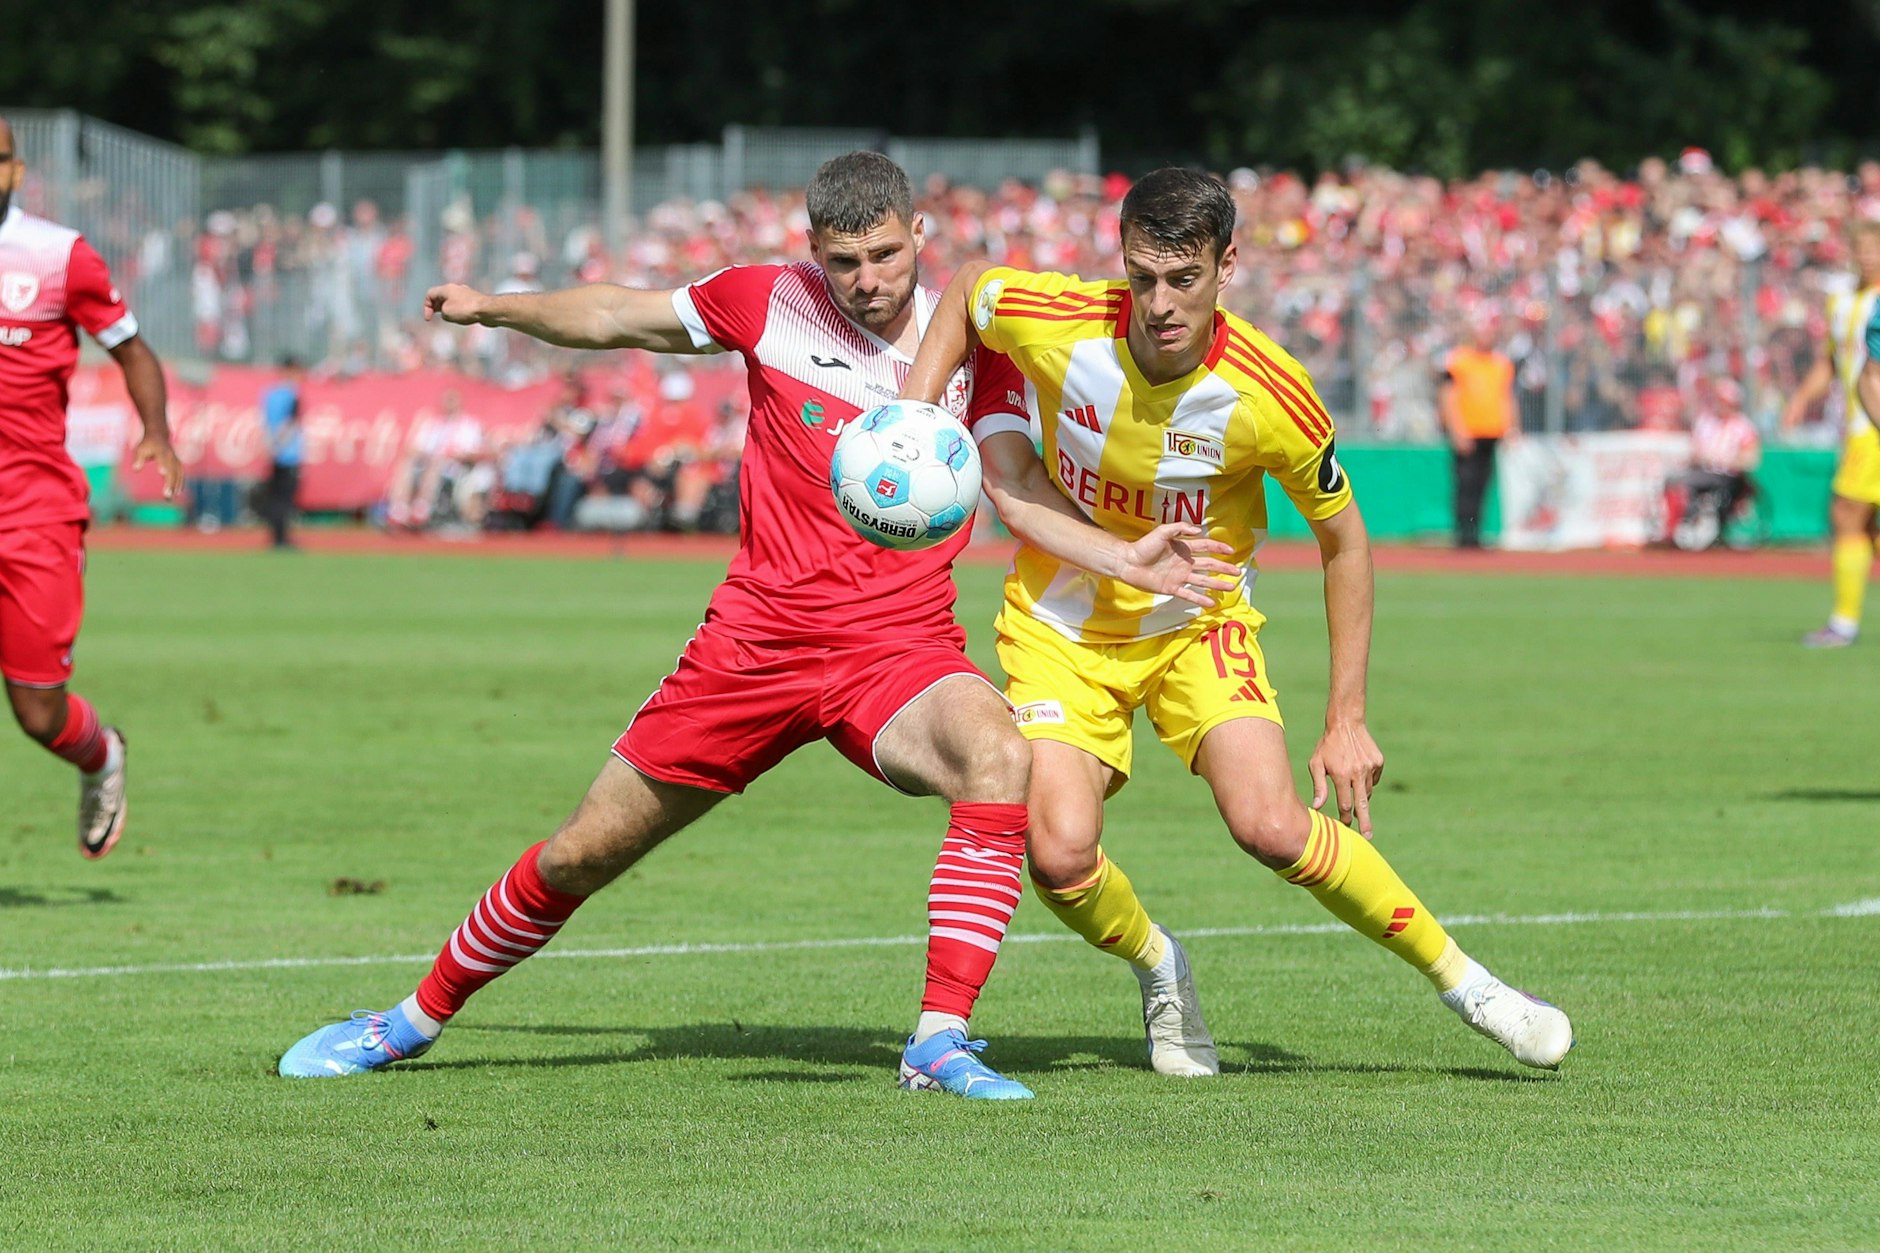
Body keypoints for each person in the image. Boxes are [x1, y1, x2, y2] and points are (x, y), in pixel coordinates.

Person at [276, 152, 1224, 1097]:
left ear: (920, 237)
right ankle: (406, 1021)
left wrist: (1123, 553)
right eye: (846, 261)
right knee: (582, 851)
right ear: (814, 250)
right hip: (752, 647)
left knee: (998, 757)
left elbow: (1016, 489)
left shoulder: (980, 350)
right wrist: (497, 306)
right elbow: (617, 312)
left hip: (898, 653)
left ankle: (938, 1038)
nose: (869, 281)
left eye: (887, 256)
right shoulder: (767, 301)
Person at [901, 167, 1574, 1076]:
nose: (1159, 303)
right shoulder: (1061, 321)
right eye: (1142, 277)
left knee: (1270, 822)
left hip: (1195, 624)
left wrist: (1346, 718)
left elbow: (1347, 541)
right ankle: (1158, 963)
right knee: (1058, 854)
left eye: (1183, 279)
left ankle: (1472, 984)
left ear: (1227, 267)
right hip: (1063, 628)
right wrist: (912, 414)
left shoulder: (1271, 395)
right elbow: (967, 289)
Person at [0, 115, 183, 857]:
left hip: (34, 512)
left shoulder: (57, 255)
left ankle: (101, 753)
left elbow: (133, 350)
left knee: (39, 715)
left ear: (14, 170)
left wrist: (157, 432)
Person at [1786, 220, 1880, 647]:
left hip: (1871, 425)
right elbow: (1832, 361)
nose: (1867, 255)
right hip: (1856, 421)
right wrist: (1801, 399)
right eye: (1861, 247)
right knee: (1859, 520)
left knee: (1848, 512)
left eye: (1874, 247)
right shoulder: (1843, 302)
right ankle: (1844, 620)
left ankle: (1844, 622)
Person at [1439, 313, 1517, 549]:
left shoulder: (1501, 363)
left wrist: (1512, 427)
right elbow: (1447, 396)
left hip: (1491, 432)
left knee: (1483, 484)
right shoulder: (1459, 360)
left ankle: (1476, 533)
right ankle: (1463, 534)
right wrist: (1456, 429)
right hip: (1468, 431)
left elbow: (1507, 397)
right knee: (1466, 484)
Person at [1661, 378, 1760, 549]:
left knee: (1689, 480)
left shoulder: (1743, 426)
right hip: (1703, 471)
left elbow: (1752, 460)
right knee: (1674, 479)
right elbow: (1695, 452)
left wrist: (1726, 460)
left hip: (1727, 476)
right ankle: (1675, 527)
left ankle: (1692, 527)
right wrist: (1702, 457)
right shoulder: (1706, 422)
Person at [258, 357, 305, 549]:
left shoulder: (269, 394)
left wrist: (270, 446)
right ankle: (281, 538)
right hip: (289, 453)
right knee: (285, 498)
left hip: (273, 452)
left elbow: (265, 423)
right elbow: (289, 422)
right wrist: (279, 443)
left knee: (275, 496)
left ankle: (276, 535)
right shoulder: (292, 394)